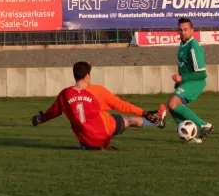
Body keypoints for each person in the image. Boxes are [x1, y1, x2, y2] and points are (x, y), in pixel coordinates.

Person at [31, 61, 167, 150]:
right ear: (88, 75)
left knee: (97, 118)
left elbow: (53, 112)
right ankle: (157, 121)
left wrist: (40, 119)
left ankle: (91, 143)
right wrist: (144, 113)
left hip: (85, 140)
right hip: (105, 131)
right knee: (129, 120)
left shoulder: (65, 94)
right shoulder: (97, 91)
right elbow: (121, 105)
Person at [165, 17, 213, 143]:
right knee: (172, 108)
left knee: (173, 104)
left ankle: (204, 125)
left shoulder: (193, 46)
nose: (183, 32)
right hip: (187, 82)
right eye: (180, 30)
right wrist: (180, 81)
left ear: (192, 30)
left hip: (196, 82)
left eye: (186, 29)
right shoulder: (183, 44)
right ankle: (189, 136)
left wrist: (183, 78)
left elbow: (202, 74)